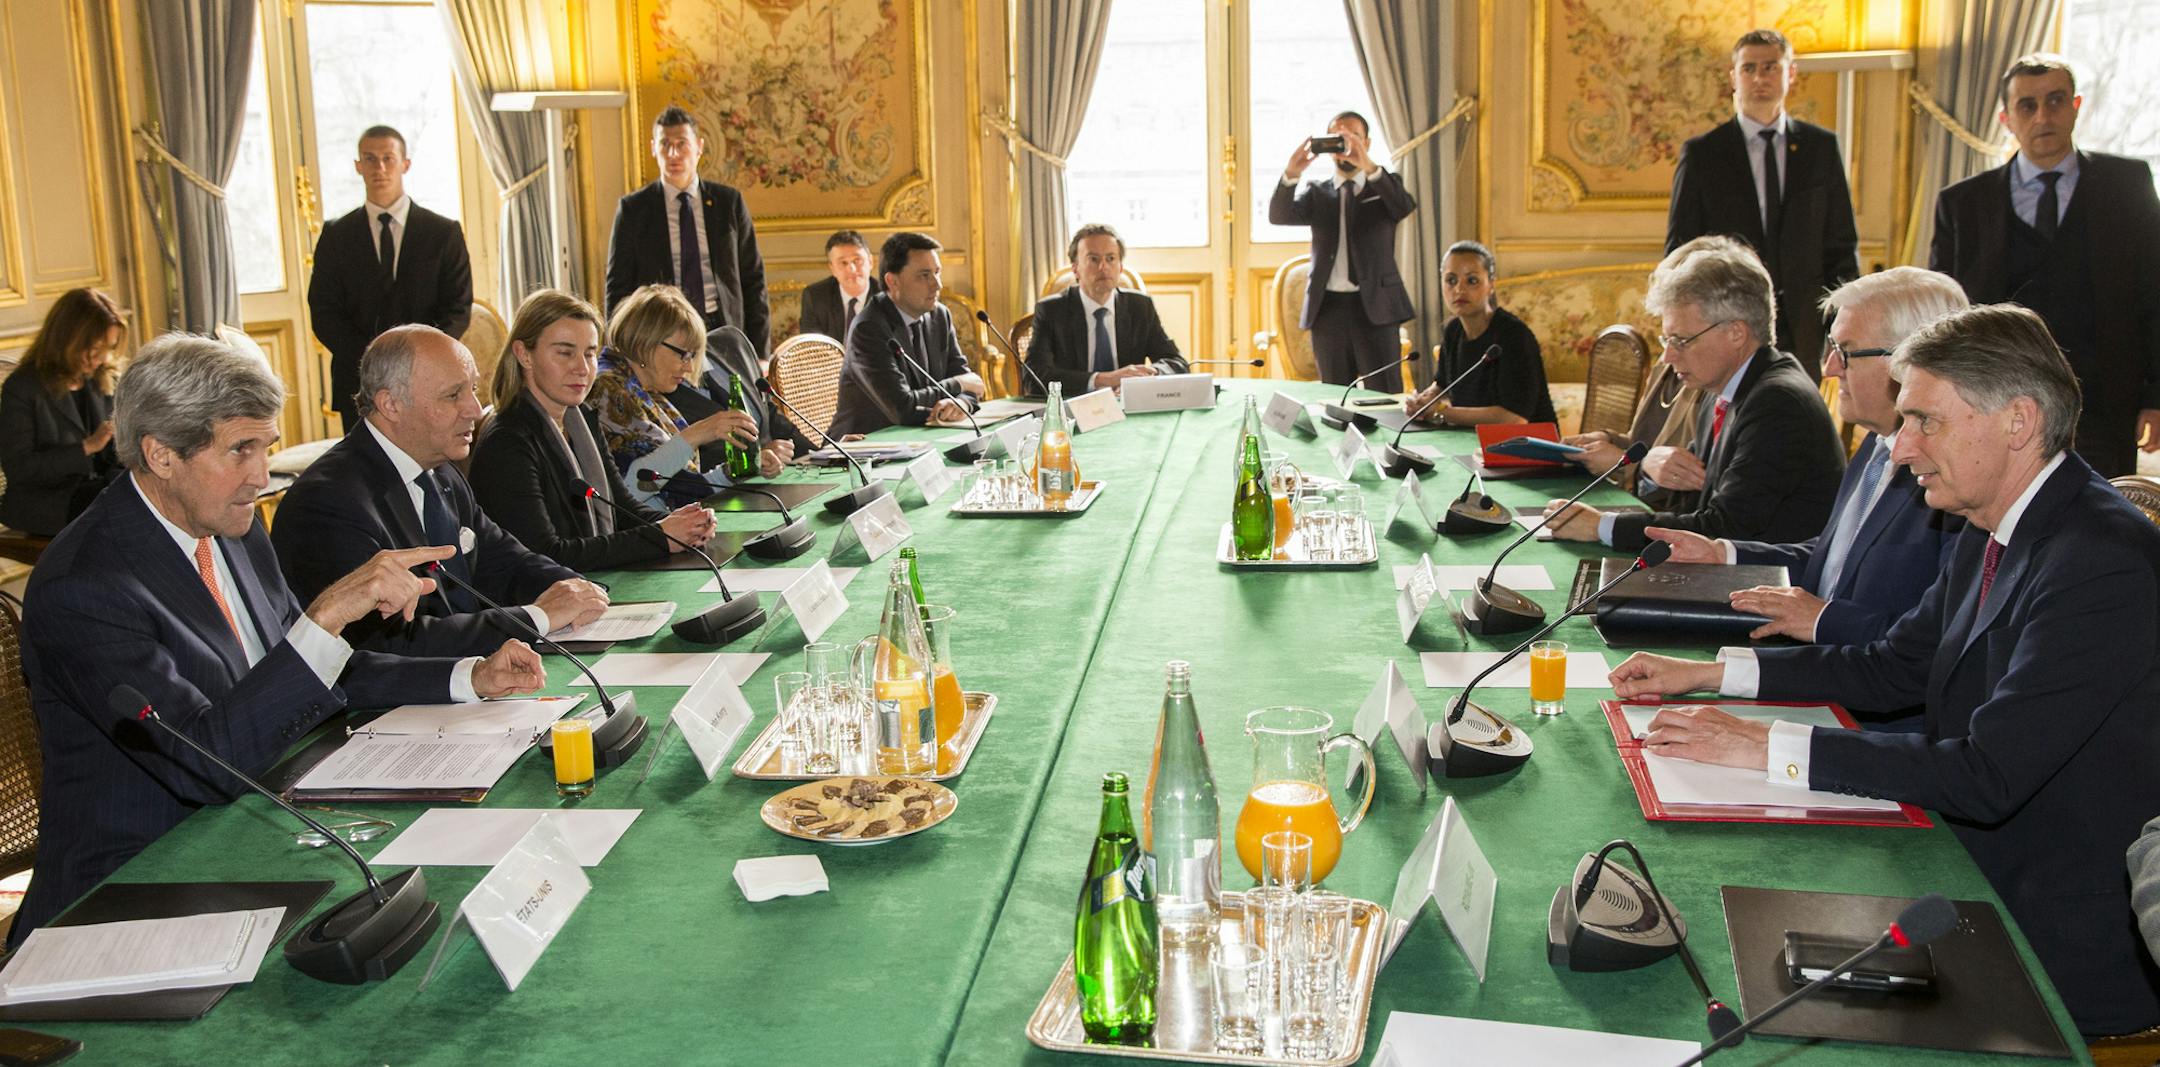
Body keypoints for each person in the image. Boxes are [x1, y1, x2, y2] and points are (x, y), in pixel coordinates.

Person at [1609, 305, 2160, 1037]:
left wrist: (1764, 745)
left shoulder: (2102, 560)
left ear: (2018, 421)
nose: (1900, 448)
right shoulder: (1995, 516)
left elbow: (1987, 773)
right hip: (1958, 853)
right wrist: (1712, 675)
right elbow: (1895, 666)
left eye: (1925, 420)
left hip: (2045, 923)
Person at [12, 334, 542, 946]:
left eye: (265, 448)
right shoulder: (86, 585)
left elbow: (317, 672)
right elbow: (204, 763)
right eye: (240, 450)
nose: (261, 477)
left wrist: (468, 675)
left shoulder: (231, 528)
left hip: (262, 821)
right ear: (161, 455)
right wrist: (323, 619)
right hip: (132, 887)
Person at [1645, 267, 1970, 647]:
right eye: (1831, 348)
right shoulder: (1877, 444)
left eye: (1845, 352)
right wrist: (1723, 553)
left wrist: (1820, 619)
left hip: (1856, 673)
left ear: (1909, 362)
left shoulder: (1951, 477)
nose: (1829, 369)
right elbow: (1835, 560)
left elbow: (1929, 644)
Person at [272, 325, 608, 657]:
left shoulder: (441, 472)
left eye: (473, 389)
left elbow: (506, 562)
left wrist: (578, 590)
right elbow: (389, 643)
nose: (474, 409)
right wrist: (538, 617)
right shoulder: (328, 503)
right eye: (453, 395)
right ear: (390, 405)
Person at [1929, 53, 2160, 478]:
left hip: (2106, 403)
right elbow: (1946, 313)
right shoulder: (1963, 203)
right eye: (2027, 105)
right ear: (2006, 118)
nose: (2043, 116)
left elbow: (2154, 293)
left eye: (2055, 101)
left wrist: (2155, 396)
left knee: (2099, 512)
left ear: (2076, 106)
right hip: (1995, 401)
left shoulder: (2126, 184)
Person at [1544, 237, 1844, 551]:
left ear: (1736, 333)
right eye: (1666, 340)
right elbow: (1693, 502)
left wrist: (1602, 526)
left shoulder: (1778, 404)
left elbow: (1724, 528)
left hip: (1769, 574)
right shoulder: (1722, 386)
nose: (1667, 356)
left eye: (1682, 340)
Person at [467, 289, 719, 572]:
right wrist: (661, 537)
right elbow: (546, 554)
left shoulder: (582, 419)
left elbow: (622, 508)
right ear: (524, 354)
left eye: (589, 354)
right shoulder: (507, 441)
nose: (582, 368)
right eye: (565, 353)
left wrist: (681, 525)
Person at [1667, 29, 1858, 375]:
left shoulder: (1820, 148)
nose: (1759, 78)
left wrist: (1841, 327)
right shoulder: (1703, 154)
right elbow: (1681, 250)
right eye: (1749, 68)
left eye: (1770, 67)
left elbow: (1840, 246)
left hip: (1804, 324)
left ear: (1791, 73)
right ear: (1734, 77)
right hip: (1728, 326)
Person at [308, 125, 473, 427]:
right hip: (357, 381)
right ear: (358, 166)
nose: (380, 168)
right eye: (370, 159)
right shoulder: (336, 235)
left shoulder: (443, 232)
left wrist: (419, 362)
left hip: (430, 380)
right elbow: (324, 312)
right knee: (364, 458)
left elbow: (458, 308)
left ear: (405, 164)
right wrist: (375, 362)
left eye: (388, 158)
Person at [589, 285, 785, 508]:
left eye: (692, 356)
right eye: (683, 354)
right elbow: (629, 491)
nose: (689, 367)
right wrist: (698, 433)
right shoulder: (608, 388)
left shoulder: (646, 390)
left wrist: (736, 470)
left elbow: (681, 486)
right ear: (645, 341)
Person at [1268, 110, 1417, 392]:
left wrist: (1367, 164)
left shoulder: (1384, 185)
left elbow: (1403, 206)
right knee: (1335, 395)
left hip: (1376, 308)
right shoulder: (1317, 192)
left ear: (1366, 143)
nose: (1344, 145)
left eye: (1352, 137)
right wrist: (1292, 172)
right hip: (1328, 309)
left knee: (1384, 394)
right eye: (1337, 138)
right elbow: (1279, 215)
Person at [604, 105, 770, 354]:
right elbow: (618, 286)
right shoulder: (634, 209)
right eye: (665, 144)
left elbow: (753, 279)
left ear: (699, 147)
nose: (673, 154)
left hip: (722, 327)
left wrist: (760, 352)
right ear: (653, 149)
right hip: (661, 330)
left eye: (682, 144)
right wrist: (618, 350)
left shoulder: (728, 202)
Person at [828, 232, 985, 437]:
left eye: (937, 272)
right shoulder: (868, 328)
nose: (937, 284)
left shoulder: (939, 315)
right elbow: (902, 408)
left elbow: (969, 382)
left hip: (922, 436)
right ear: (893, 281)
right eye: (924, 275)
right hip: (865, 445)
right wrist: (957, 385)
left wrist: (962, 403)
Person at [0, 288, 125, 534]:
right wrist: (87, 447)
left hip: (97, 491)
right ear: (69, 339)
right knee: (123, 505)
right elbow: (21, 469)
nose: (102, 358)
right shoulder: (23, 387)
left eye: (108, 348)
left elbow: (111, 457)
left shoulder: (101, 378)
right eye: (95, 348)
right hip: (45, 501)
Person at [1023, 223, 1187, 397]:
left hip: (1127, 405)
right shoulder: (1051, 311)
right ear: (1075, 269)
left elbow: (1176, 363)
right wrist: (1103, 379)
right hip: (1074, 405)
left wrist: (1148, 374)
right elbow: (1034, 378)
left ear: (1120, 267)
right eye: (1093, 259)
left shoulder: (1140, 307)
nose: (1103, 267)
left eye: (1110, 258)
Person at [1403, 241, 1555, 426]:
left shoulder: (1514, 335)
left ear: (1491, 285)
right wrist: (1422, 402)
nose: (1459, 289)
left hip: (1527, 440)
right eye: (1451, 280)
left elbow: (1514, 418)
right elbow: (1442, 385)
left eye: (1472, 281)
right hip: (1473, 437)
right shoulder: (1453, 330)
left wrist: (1441, 411)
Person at [798, 230, 881, 342]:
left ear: (871, 262)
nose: (852, 269)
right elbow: (811, 346)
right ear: (832, 268)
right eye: (843, 263)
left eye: (857, 260)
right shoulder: (815, 297)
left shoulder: (890, 297)